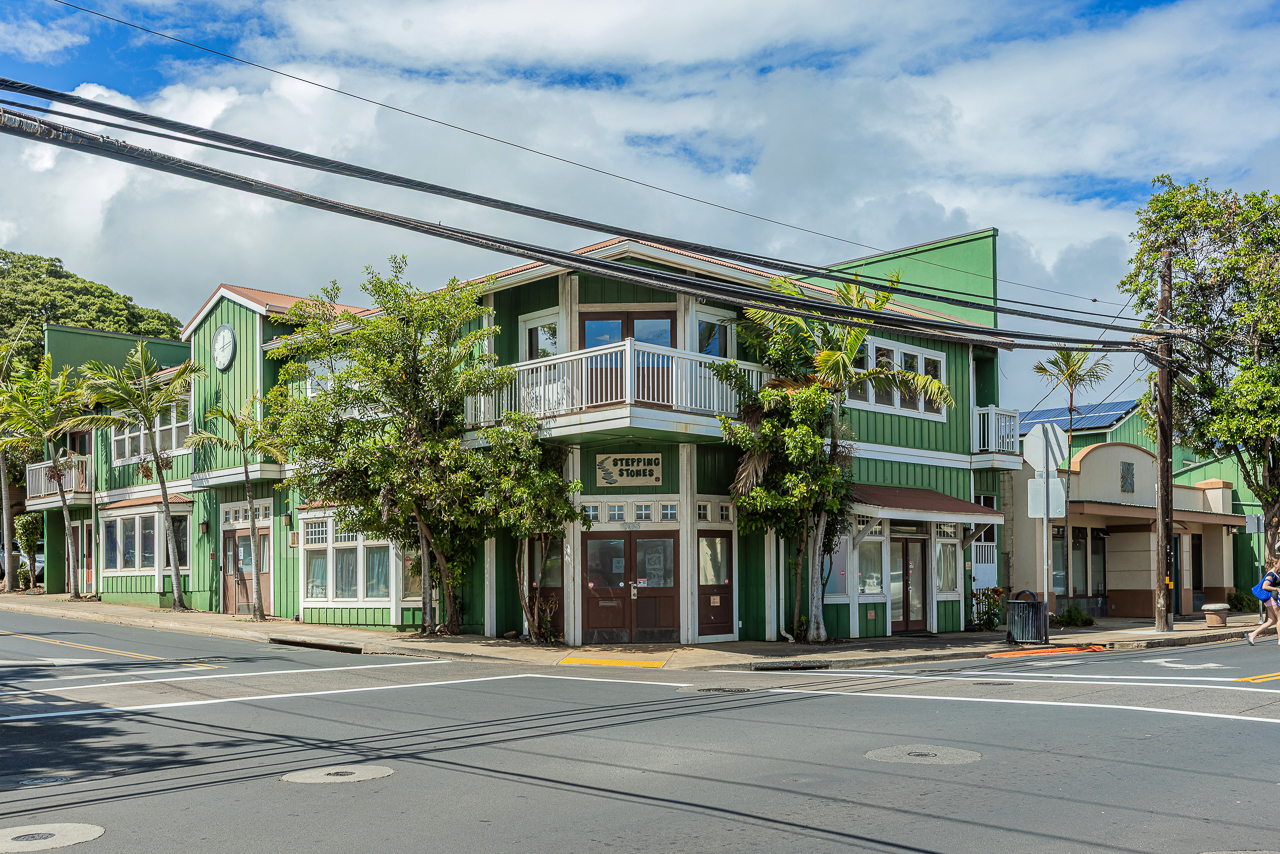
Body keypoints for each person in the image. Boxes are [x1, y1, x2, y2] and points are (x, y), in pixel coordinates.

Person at [1247, 561, 1280, 646]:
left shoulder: (1275, 574)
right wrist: (1277, 589)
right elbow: (1265, 586)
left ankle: (1252, 634)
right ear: (1275, 564)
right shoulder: (1271, 574)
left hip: (1269, 599)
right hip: (1271, 599)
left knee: (1271, 621)